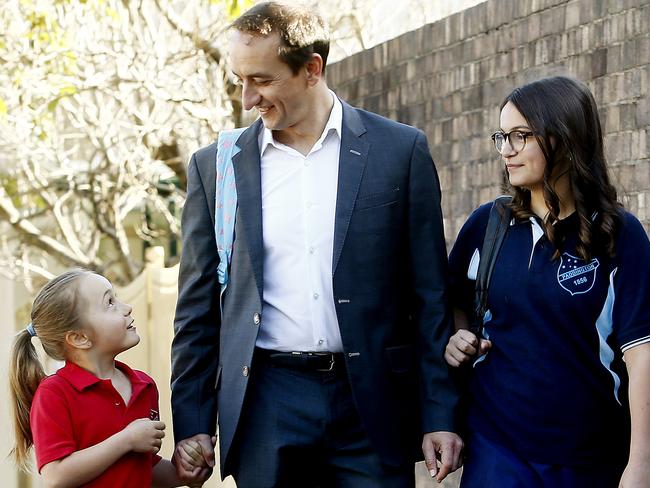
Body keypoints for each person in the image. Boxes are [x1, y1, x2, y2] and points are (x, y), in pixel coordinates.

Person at [170, 2, 462, 486]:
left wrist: (439, 412)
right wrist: (194, 424)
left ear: (311, 69)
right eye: (240, 80)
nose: (247, 99)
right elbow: (197, 309)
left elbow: (430, 296)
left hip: (373, 403)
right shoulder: (216, 167)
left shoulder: (399, 151)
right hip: (267, 400)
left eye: (260, 80)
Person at [444, 76, 650, 487]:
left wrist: (640, 464)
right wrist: (457, 335)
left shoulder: (619, 235)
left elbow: (641, 354)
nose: (506, 150)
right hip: (495, 453)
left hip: (587, 458)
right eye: (502, 136)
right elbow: (449, 303)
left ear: (564, 138)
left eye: (521, 136)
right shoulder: (488, 224)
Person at [9, 269, 204, 487]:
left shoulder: (144, 386)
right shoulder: (54, 393)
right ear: (80, 338)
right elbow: (56, 477)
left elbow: (142, 470)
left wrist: (184, 472)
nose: (127, 308)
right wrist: (127, 440)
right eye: (110, 302)